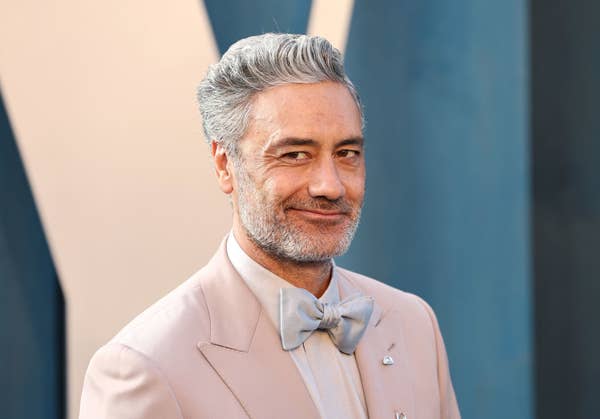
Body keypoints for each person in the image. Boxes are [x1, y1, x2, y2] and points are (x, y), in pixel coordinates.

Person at [79, 33, 460, 419]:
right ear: (224, 165)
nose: (330, 185)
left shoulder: (413, 324)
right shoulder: (144, 366)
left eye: (347, 153)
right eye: (295, 154)